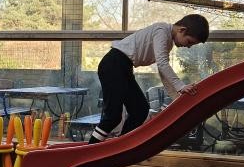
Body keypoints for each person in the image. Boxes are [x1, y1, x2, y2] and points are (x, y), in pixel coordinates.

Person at [87, 14, 210, 144]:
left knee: (139, 110)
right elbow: (162, 64)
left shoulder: (167, 41)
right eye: (189, 42)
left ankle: (121, 145)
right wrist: (180, 86)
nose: (189, 46)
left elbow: (163, 72)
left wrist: (177, 97)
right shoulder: (162, 31)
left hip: (123, 67)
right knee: (113, 116)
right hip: (113, 65)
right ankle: (91, 149)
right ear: (182, 30)